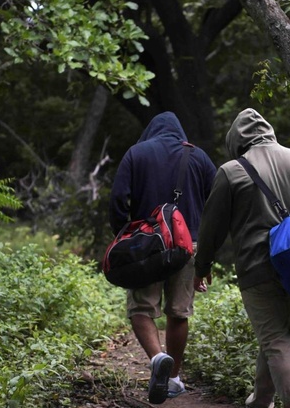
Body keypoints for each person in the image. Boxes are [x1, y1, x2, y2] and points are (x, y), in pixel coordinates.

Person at [193, 108, 290, 408]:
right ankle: (260, 401)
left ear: (236, 140)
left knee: (275, 340)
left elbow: (211, 229)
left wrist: (202, 266)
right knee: (275, 332)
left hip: (258, 271)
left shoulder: (231, 171)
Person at [110, 111, 217, 404]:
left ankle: (158, 357)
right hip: (188, 245)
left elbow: (118, 199)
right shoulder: (199, 158)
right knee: (179, 311)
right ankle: (173, 378)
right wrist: (206, 251)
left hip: (147, 244)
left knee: (142, 307)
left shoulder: (137, 153)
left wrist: (123, 234)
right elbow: (218, 204)